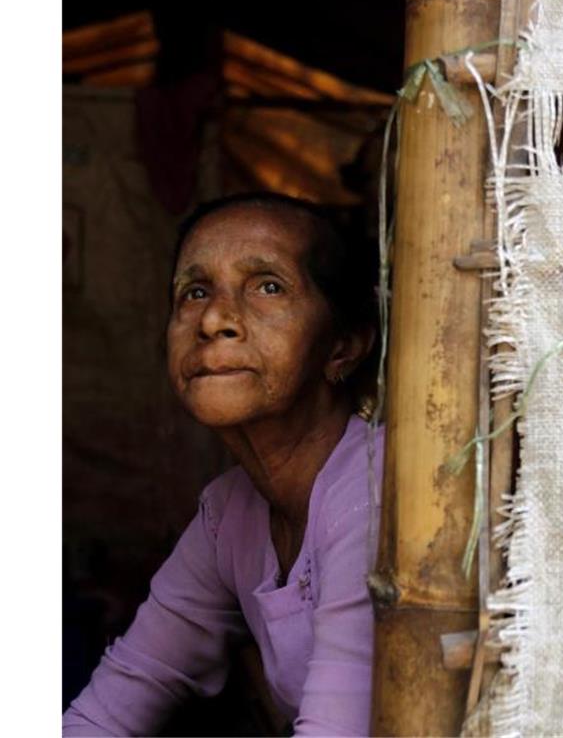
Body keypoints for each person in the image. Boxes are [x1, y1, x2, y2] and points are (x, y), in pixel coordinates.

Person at [64, 193, 383, 736]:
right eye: (194, 292)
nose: (213, 319)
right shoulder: (228, 512)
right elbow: (130, 686)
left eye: (267, 286)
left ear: (342, 347)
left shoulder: (372, 491)